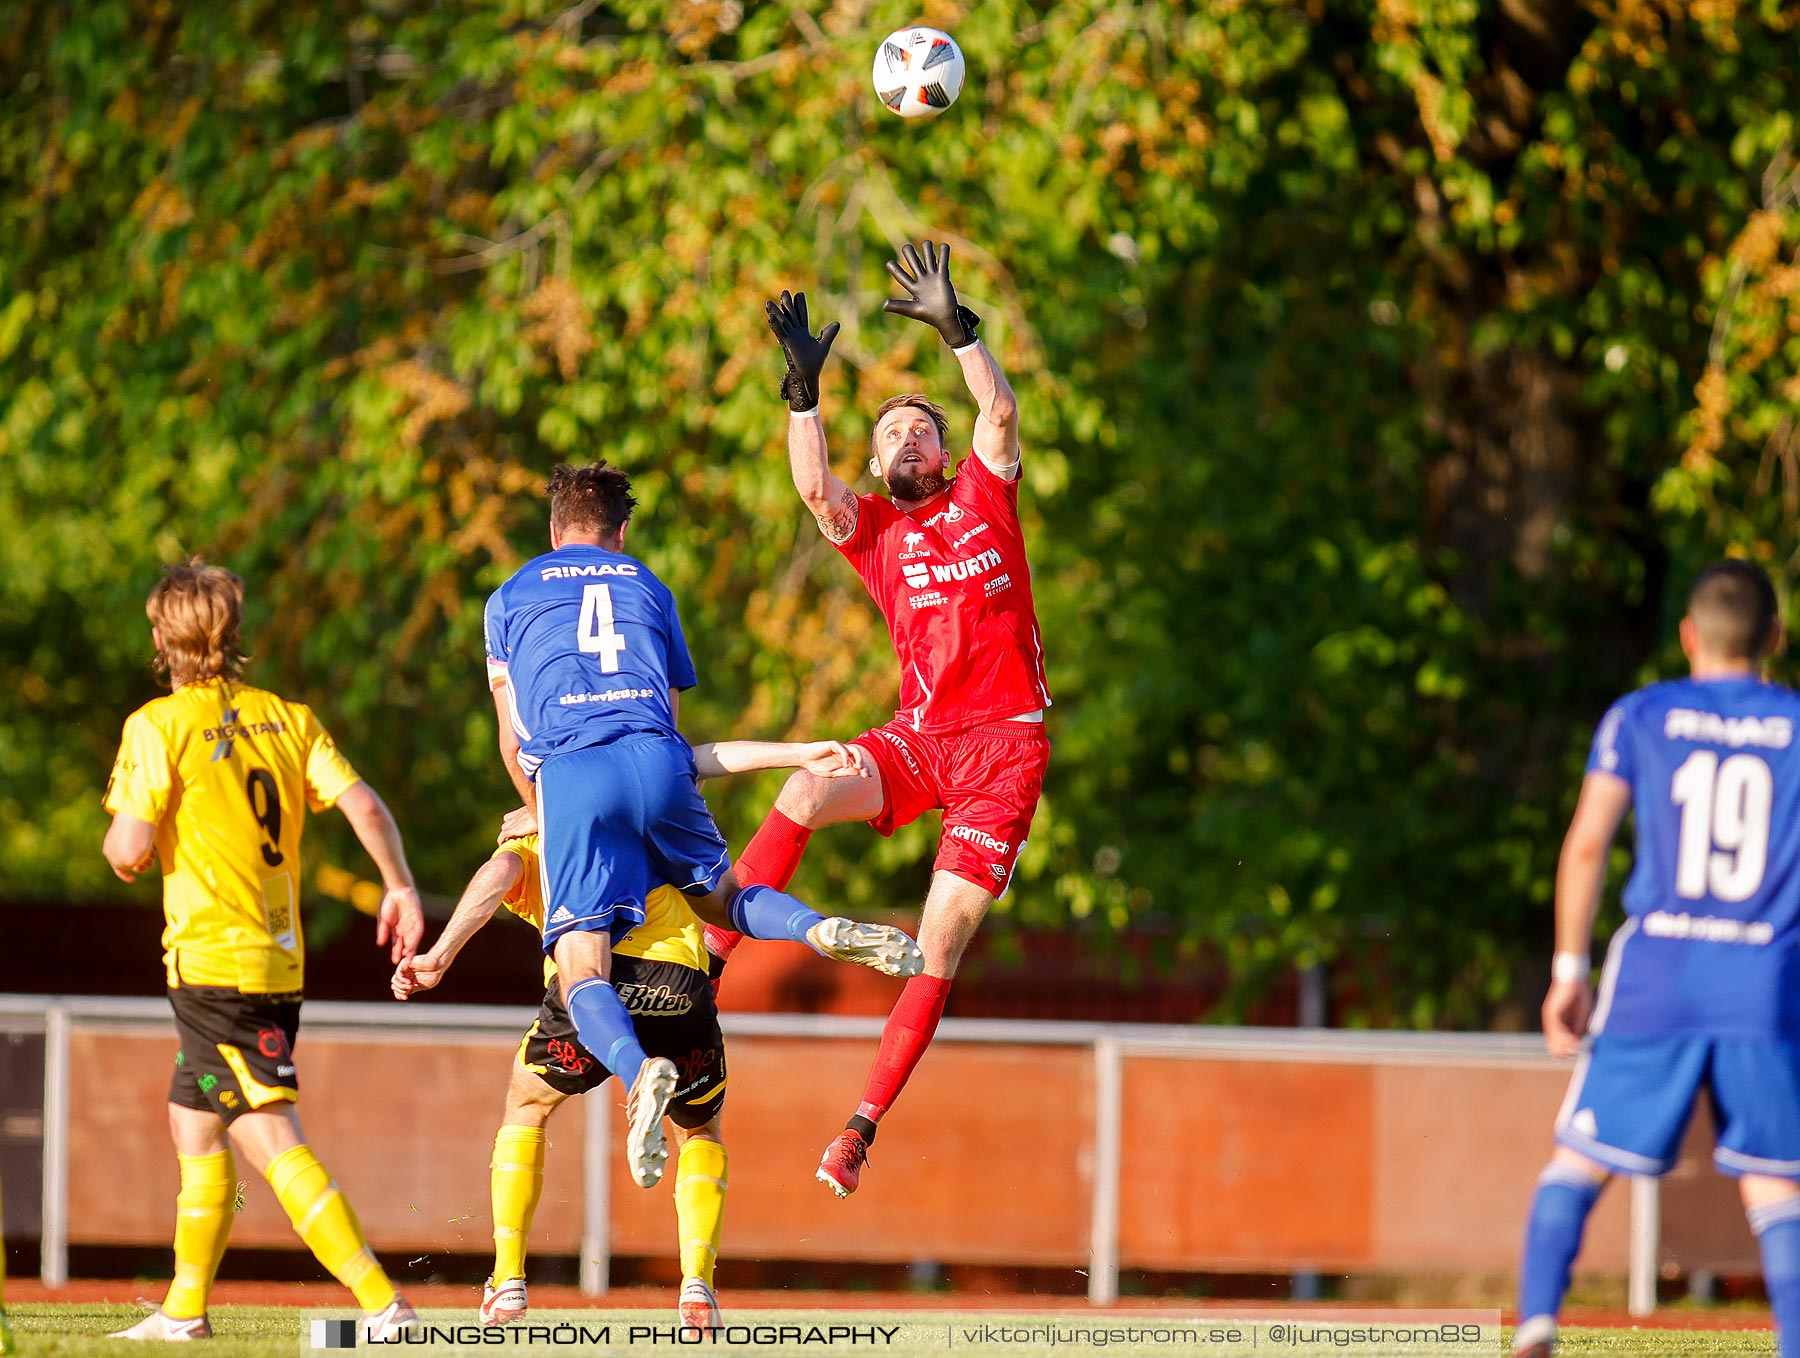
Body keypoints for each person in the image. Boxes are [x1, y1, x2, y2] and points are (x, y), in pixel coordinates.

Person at [707, 241, 1052, 1198]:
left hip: (1004, 751)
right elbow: (813, 490)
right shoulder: (875, 532)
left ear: (944, 456)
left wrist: (959, 331)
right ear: (875, 460)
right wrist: (801, 396)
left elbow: (1001, 410)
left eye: (920, 431)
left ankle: (857, 1130)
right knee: (808, 781)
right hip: (919, 737)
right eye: (891, 432)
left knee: (940, 942)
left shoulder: (988, 497)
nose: (907, 439)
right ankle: (711, 958)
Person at [481, 463, 923, 1189]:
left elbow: (511, 741)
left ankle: (636, 1071)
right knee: (723, 897)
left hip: (570, 773)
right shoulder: (650, 588)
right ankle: (817, 930)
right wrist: (793, 752)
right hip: (657, 760)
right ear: (621, 535)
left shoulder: (509, 597)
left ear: (554, 530)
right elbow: (673, 738)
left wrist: (544, 809)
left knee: (580, 963)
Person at [393, 739, 868, 1332]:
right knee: (700, 1129)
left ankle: (509, 1281)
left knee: (526, 1106)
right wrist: (798, 754)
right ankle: (698, 1287)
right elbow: (706, 770)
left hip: (592, 990)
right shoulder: (658, 802)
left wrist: (440, 953)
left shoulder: (553, 818)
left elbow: (501, 872)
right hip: (680, 990)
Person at [100, 560, 425, 1342]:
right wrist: (400, 885)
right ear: (232, 636)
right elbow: (364, 803)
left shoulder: (157, 726)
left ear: (160, 638)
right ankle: (184, 1311)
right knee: (194, 1123)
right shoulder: (288, 717)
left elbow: (128, 847)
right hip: (276, 964)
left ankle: (386, 1305)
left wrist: (126, 842)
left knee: (270, 1134)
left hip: (215, 968)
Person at [1513, 560, 1800, 1358]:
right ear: (1773, 638)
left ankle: (1538, 1321)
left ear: (1687, 636)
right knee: (1777, 1178)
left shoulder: (1641, 715)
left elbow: (1587, 845)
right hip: (1765, 978)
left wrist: (1569, 972)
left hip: (1658, 973)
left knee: (1580, 1157)